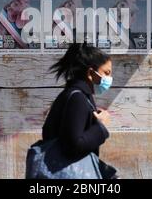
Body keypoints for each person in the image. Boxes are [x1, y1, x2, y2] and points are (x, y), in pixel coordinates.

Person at [42, 43, 118, 179]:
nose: (109, 78)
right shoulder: (77, 98)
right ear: (90, 73)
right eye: (106, 73)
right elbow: (73, 145)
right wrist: (100, 127)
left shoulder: (77, 95)